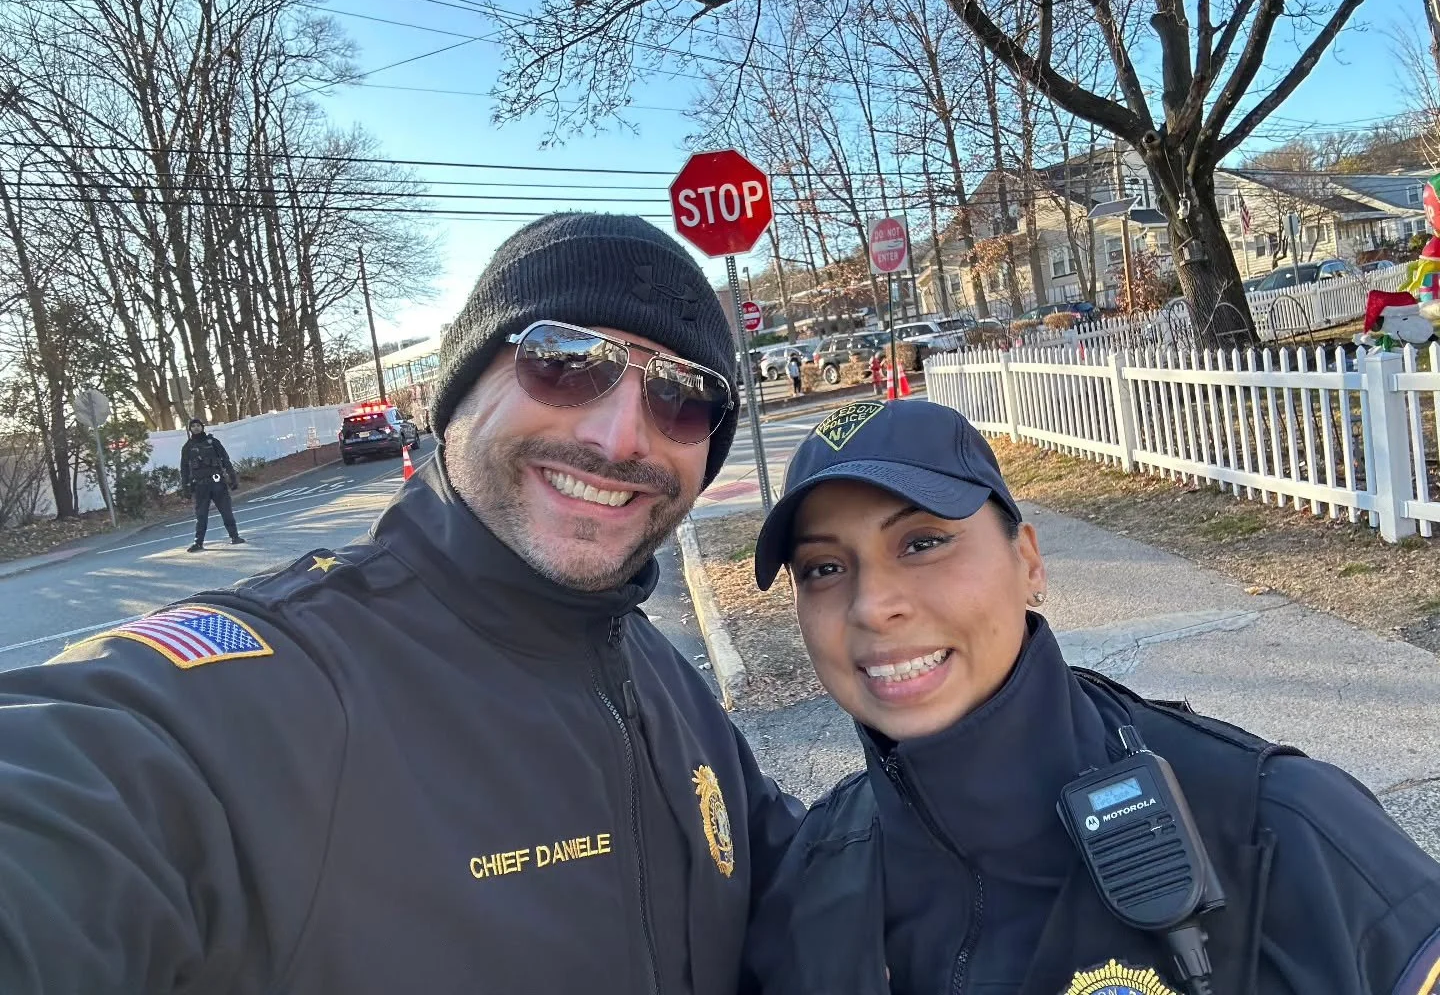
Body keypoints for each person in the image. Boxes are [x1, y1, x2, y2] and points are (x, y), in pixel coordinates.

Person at [0, 213, 802, 993]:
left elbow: (814, 897)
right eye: (563, 361)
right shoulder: (284, 694)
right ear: (459, 395)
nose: (620, 437)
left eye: (682, 396)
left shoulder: (670, 688)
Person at [742, 398, 1440, 995]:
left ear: (1028, 561)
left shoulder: (1275, 827)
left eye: (922, 543)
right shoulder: (819, 870)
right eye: (824, 568)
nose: (872, 605)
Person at [178, 416, 245, 550]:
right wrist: (185, 487)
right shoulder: (187, 447)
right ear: (190, 429)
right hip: (200, 486)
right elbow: (184, 469)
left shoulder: (213, 442)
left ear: (202, 427)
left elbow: (225, 460)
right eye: (193, 426)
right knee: (201, 515)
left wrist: (232, 478)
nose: (196, 428)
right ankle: (198, 543)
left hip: (217, 483)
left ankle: (234, 536)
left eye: (198, 425)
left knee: (226, 511)